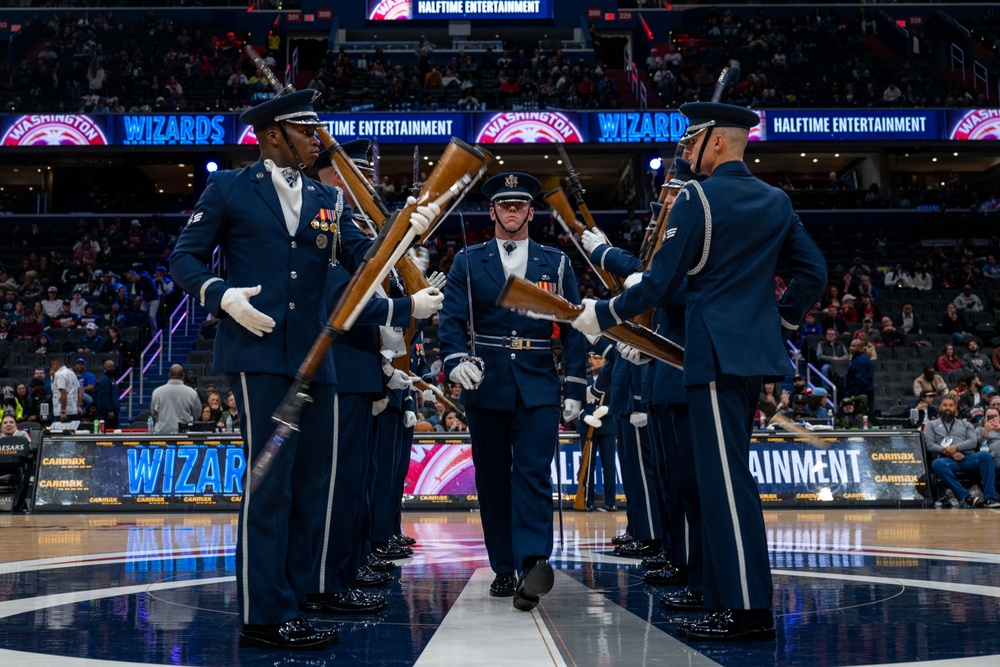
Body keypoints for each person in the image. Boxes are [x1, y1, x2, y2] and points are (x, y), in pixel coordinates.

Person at [170, 90, 440, 650]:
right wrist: (220, 295)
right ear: (273, 135)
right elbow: (184, 258)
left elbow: (365, 263)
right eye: (308, 130)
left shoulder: (325, 199)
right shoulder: (229, 188)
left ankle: (292, 603)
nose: (319, 141)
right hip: (259, 354)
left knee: (311, 485)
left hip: (318, 361)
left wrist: (409, 229)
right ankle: (263, 617)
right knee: (270, 485)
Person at [570, 102, 826, 641]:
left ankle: (745, 609)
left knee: (724, 485)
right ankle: (724, 596)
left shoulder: (697, 198)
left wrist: (606, 315)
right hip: (751, 357)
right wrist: (774, 317)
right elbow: (813, 271)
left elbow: (660, 281)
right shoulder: (776, 200)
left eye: (691, 143)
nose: (686, 153)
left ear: (715, 142)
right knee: (724, 478)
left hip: (708, 355)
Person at [438, 170, 586, 612]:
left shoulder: (556, 262)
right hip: (486, 384)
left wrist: (575, 383)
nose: (512, 210)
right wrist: (454, 361)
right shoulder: (467, 260)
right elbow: (449, 323)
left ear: (531, 211)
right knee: (492, 479)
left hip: (539, 382)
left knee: (535, 475)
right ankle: (503, 566)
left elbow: (574, 326)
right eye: (504, 204)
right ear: (492, 211)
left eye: (520, 204)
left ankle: (532, 562)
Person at [924, 396, 1000, 508]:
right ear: (940, 407)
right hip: (948, 459)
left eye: (951, 405)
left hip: (968, 458)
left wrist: (956, 447)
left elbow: (973, 442)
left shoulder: (966, 424)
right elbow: (929, 444)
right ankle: (965, 496)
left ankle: (990, 498)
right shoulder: (931, 424)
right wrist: (950, 452)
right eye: (945, 405)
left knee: (985, 456)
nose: (947, 408)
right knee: (936, 464)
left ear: (955, 408)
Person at [149, 364, 202, 434]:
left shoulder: (157, 392)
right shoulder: (192, 393)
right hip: (184, 434)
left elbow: (153, 413)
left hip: (162, 434)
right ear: (183, 376)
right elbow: (197, 414)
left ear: (169, 375)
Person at [844, 338, 874, 414]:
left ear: (860, 348)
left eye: (854, 346)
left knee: (860, 417)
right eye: (850, 346)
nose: (851, 348)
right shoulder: (860, 358)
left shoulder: (859, 361)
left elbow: (861, 380)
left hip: (859, 394)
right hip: (863, 392)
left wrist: (855, 395)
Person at [50, 357, 82, 423]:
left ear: (55, 364)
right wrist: (78, 406)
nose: (52, 367)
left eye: (52, 365)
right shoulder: (72, 373)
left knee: (59, 432)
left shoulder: (59, 374)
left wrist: (63, 411)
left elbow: (63, 392)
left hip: (62, 411)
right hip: (73, 410)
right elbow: (79, 390)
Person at [94, 358, 120, 429]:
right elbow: (104, 395)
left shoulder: (111, 378)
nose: (112, 369)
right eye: (110, 367)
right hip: (107, 413)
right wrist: (109, 410)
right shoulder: (105, 379)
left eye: (113, 367)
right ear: (105, 368)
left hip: (113, 410)